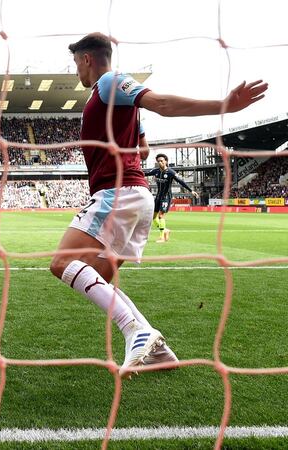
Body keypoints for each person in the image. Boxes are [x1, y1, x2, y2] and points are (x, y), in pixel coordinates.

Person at [50, 32, 267, 377]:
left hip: (116, 194)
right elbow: (145, 149)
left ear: (87, 59)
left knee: (62, 263)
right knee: (101, 279)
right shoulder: (114, 101)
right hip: (136, 195)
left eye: (76, 63)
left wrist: (223, 106)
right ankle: (159, 351)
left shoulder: (110, 82)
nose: (76, 70)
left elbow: (162, 105)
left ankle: (138, 333)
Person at [145, 153, 199, 243]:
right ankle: (165, 230)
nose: (160, 162)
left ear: (166, 161)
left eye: (161, 161)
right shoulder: (156, 171)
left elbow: (181, 181)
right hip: (158, 196)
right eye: (158, 161)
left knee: (161, 216)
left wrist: (191, 190)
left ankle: (162, 237)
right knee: (153, 217)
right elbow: (145, 173)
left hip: (166, 196)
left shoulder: (171, 172)